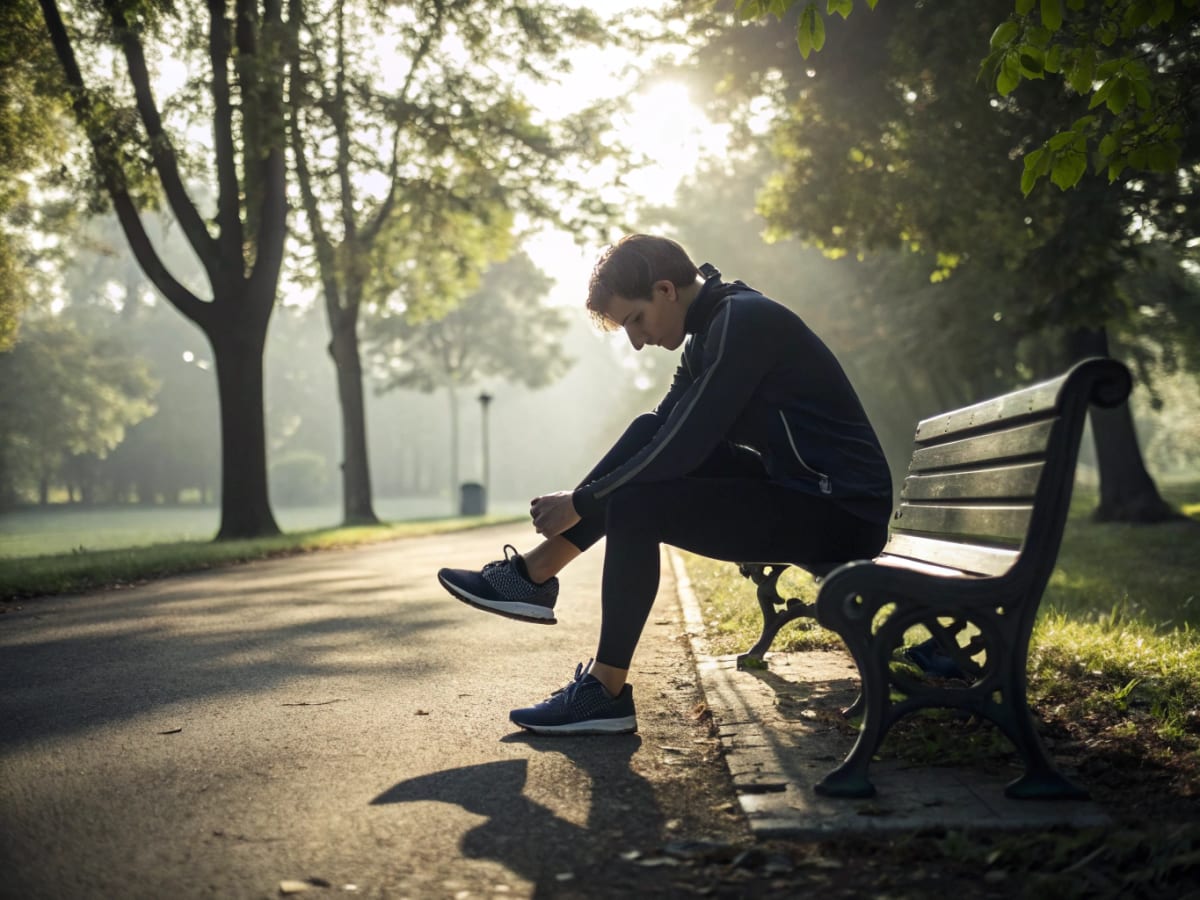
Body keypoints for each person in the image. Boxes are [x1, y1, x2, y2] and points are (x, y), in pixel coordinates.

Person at [437, 234, 893, 735]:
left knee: (637, 505)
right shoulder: (712, 330)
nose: (637, 340)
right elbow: (663, 429)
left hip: (840, 510)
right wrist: (585, 502)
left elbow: (686, 448)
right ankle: (535, 574)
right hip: (806, 494)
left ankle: (603, 688)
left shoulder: (743, 323)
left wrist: (583, 502)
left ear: (665, 290)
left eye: (635, 320)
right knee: (646, 428)